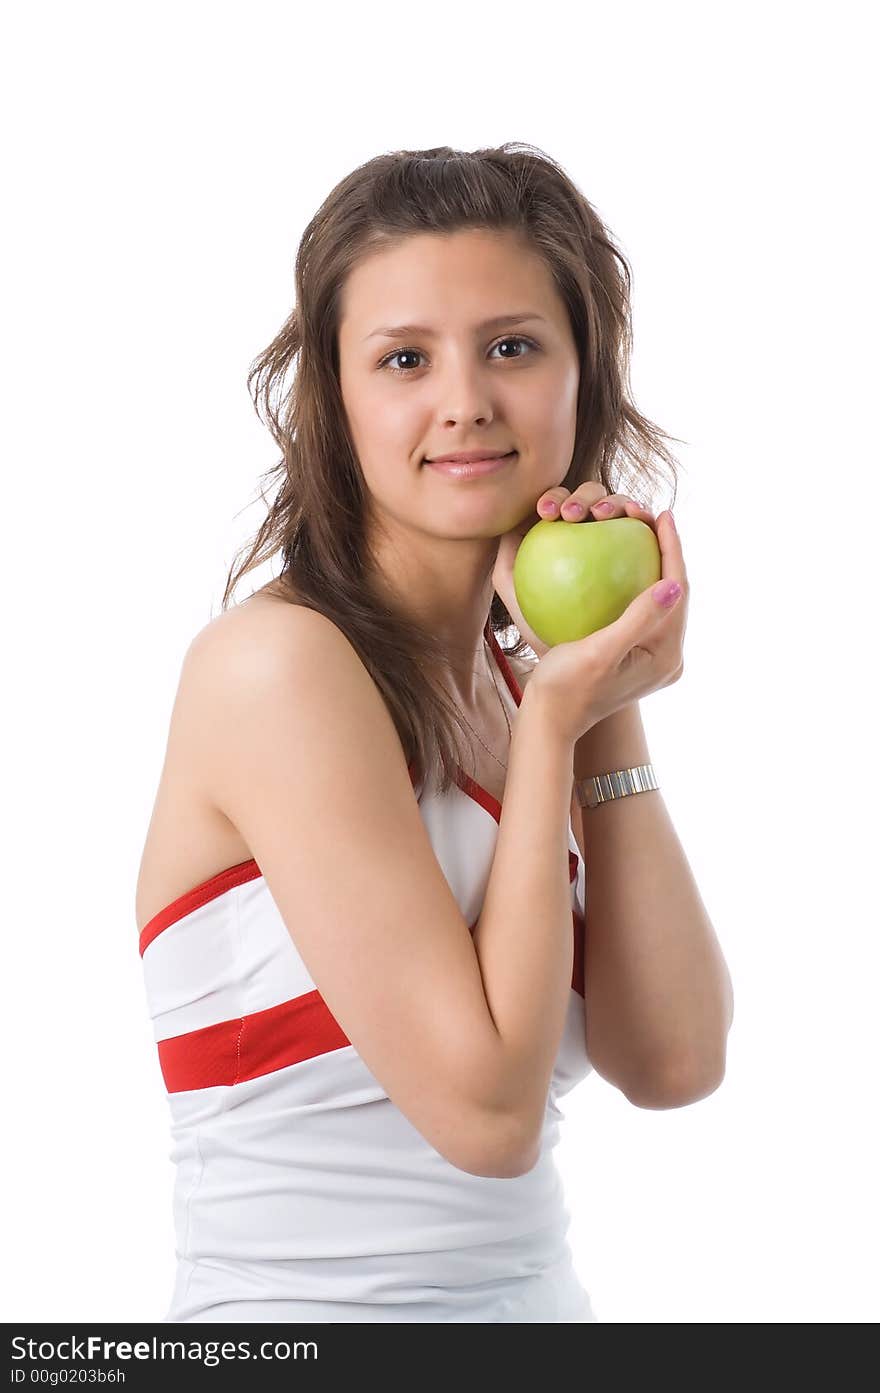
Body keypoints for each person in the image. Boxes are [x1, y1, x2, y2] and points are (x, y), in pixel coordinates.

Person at [135, 142, 734, 1323]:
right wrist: (560, 716)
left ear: (584, 377)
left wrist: (595, 702)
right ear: (334, 395)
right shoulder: (279, 668)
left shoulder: (520, 689)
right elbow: (488, 1118)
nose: (463, 399)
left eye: (512, 346)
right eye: (403, 358)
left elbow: (674, 1063)